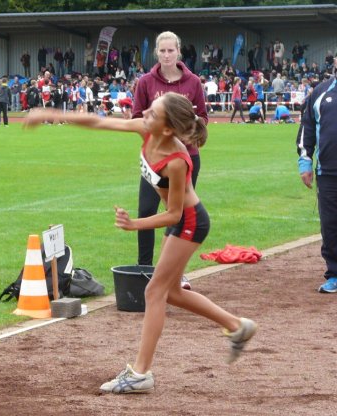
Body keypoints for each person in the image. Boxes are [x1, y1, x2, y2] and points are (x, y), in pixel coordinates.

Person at [23, 93, 257, 394]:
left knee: (154, 291)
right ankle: (238, 326)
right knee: (171, 292)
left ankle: (141, 373)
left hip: (190, 222)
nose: (144, 113)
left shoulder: (177, 161)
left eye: (152, 113)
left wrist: (135, 224)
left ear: (168, 129)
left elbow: (175, 214)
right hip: (182, 222)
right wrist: (51, 114)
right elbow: (99, 122)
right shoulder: (146, 130)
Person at [131, 31, 208, 289]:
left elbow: (202, 118)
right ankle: (144, 268)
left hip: (184, 159)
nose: (166, 55)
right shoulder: (145, 82)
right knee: (146, 210)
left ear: (178, 52)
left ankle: (175, 271)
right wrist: (157, 135)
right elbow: (137, 117)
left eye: (171, 50)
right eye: (162, 51)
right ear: (156, 53)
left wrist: (182, 134)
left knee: (179, 215)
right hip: (155, 159)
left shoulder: (193, 82)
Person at [298, 59, 337, 293]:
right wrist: (305, 163)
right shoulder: (321, 92)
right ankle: (334, 274)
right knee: (330, 225)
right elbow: (307, 128)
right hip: (328, 172)